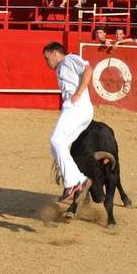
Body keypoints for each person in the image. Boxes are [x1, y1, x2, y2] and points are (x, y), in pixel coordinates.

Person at [41, 42, 94, 204]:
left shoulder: (69, 59)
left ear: (55, 53)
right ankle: (81, 180)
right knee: (56, 145)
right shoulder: (62, 67)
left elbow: (88, 69)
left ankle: (72, 184)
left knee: (56, 140)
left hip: (77, 107)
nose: (46, 62)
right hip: (76, 109)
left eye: (47, 58)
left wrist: (78, 94)